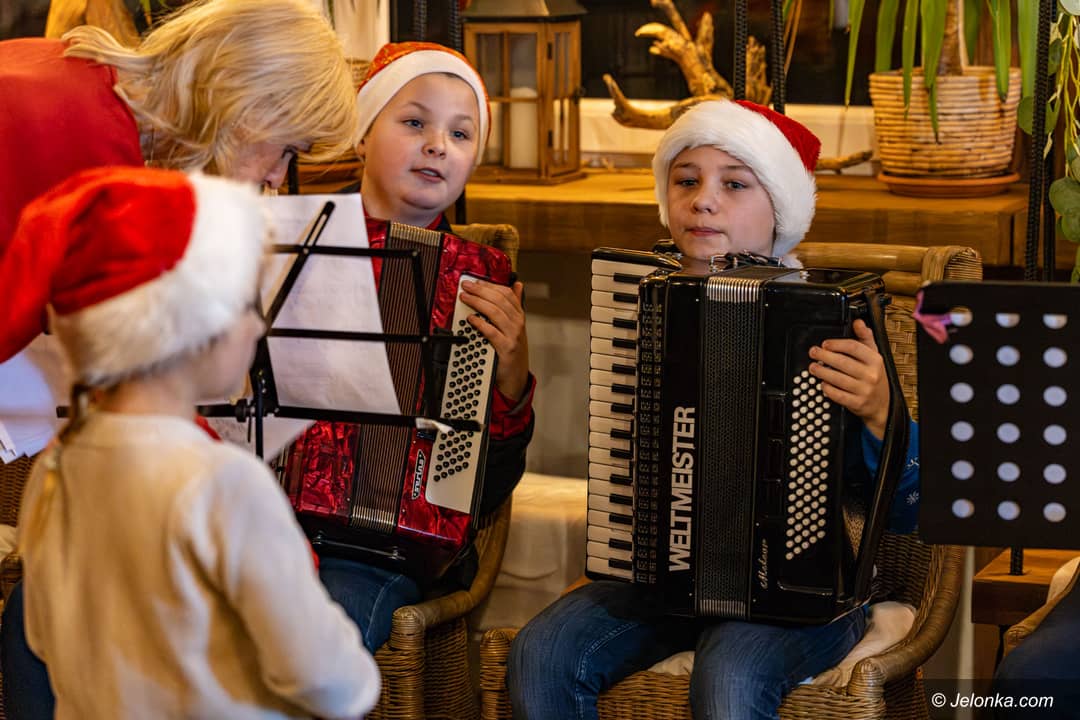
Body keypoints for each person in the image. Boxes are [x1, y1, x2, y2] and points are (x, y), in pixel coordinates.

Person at [506, 99, 922, 720]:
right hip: (659, 582)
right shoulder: (640, 304)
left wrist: (882, 414)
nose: (703, 201)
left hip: (803, 596)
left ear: (781, 209)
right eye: (686, 180)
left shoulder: (832, 316)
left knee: (730, 676)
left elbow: (911, 507)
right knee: (540, 653)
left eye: (734, 184)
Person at [0, 166, 380, 719]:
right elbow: (333, 683)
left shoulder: (59, 462)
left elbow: (42, 636)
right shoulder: (224, 482)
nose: (258, 328)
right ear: (192, 327)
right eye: (246, 305)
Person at [305, 41, 536, 653]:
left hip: (378, 554)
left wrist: (512, 381)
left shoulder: (478, 283)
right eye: (414, 123)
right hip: (256, 524)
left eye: (461, 134)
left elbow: (489, 485)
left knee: (316, 641)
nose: (438, 145)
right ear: (361, 135)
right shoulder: (291, 242)